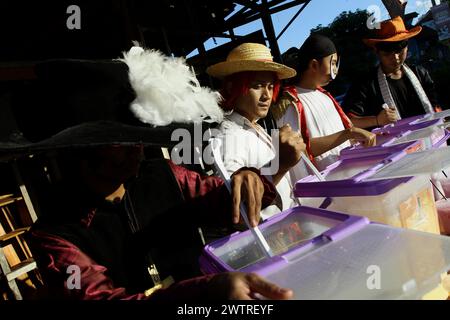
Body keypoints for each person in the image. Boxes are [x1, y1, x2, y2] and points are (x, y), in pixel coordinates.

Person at [0, 49, 293, 300]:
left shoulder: (165, 175)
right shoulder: (55, 233)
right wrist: (207, 292)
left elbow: (229, 203)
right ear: (79, 152)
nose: (137, 150)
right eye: (120, 143)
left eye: (138, 139)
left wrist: (250, 179)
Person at [206, 43, 306, 219]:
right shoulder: (229, 135)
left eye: (269, 86)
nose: (267, 95)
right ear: (231, 87)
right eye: (257, 85)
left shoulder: (255, 126)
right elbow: (234, 199)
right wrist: (280, 165)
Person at [272, 34, 376, 175]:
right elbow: (298, 149)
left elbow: (343, 136)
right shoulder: (289, 103)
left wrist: (358, 137)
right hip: (321, 188)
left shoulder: (325, 95)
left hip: (347, 177)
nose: (336, 70)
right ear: (314, 64)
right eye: (332, 63)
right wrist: (348, 134)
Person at [343, 16, 443, 129]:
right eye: (387, 53)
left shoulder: (420, 73)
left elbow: (436, 106)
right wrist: (377, 120)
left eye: (400, 51)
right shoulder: (365, 84)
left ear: (407, 46)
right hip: (396, 145)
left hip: (432, 138)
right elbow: (348, 121)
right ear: (377, 51)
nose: (395, 57)